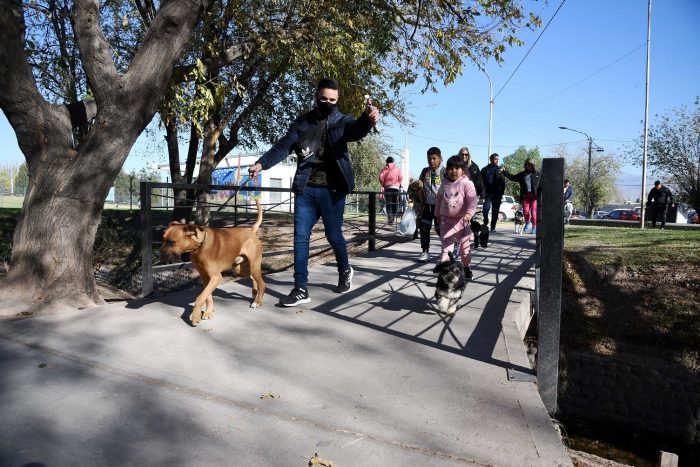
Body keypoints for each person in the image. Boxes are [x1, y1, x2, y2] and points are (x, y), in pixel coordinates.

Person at [248, 78, 379, 306]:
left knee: (333, 235)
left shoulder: (341, 122)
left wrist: (368, 119)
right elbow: (283, 146)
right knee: (300, 237)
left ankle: (345, 269)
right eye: (323, 98)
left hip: (333, 190)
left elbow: (357, 129)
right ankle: (300, 288)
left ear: (337, 100)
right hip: (306, 188)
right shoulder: (303, 122)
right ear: (316, 97)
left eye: (332, 100)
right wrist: (262, 163)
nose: (327, 103)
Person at [435, 155, 478, 278]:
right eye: (450, 168)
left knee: (464, 248)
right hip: (446, 220)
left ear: (462, 170)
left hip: (462, 221)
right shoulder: (444, 184)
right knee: (446, 248)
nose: (453, 171)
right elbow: (438, 200)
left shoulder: (467, 184)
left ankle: (466, 267)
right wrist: (437, 214)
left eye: (457, 168)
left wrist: (469, 213)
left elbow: (472, 200)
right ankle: (445, 271)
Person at [416, 147, 445, 262]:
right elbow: (420, 186)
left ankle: (447, 251)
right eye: (429, 159)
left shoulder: (445, 172)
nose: (431, 161)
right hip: (426, 206)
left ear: (440, 158)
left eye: (434, 158)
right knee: (424, 228)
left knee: (440, 230)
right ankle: (425, 251)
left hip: (440, 207)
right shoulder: (425, 171)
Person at [503, 158, 541, 234]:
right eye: (526, 164)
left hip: (534, 196)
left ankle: (534, 226)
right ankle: (527, 222)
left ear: (532, 165)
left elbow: (542, 183)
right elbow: (513, 177)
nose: (527, 166)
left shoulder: (537, 174)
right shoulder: (522, 174)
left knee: (534, 213)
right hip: (525, 196)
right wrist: (505, 172)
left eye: (529, 165)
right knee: (525, 212)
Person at [480, 153, 506, 232]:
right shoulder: (484, 169)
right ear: (491, 159)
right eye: (495, 159)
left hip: (497, 193)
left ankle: (493, 227)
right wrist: (481, 193)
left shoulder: (500, 169)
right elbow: (481, 182)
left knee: (495, 211)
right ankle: (485, 221)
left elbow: (503, 182)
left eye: (498, 159)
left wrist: (502, 193)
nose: (497, 161)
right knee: (486, 209)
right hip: (487, 193)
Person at [379, 156, 403, 224]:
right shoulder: (397, 169)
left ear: (387, 162)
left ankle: (390, 219)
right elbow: (401, 177)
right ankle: (393, 217)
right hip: (396, 188)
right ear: (393, 161)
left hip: (387, 188)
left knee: (389, 204)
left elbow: (380, 178)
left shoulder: (384, 169)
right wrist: (398, 183)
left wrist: (383, 184)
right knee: (394, 203)